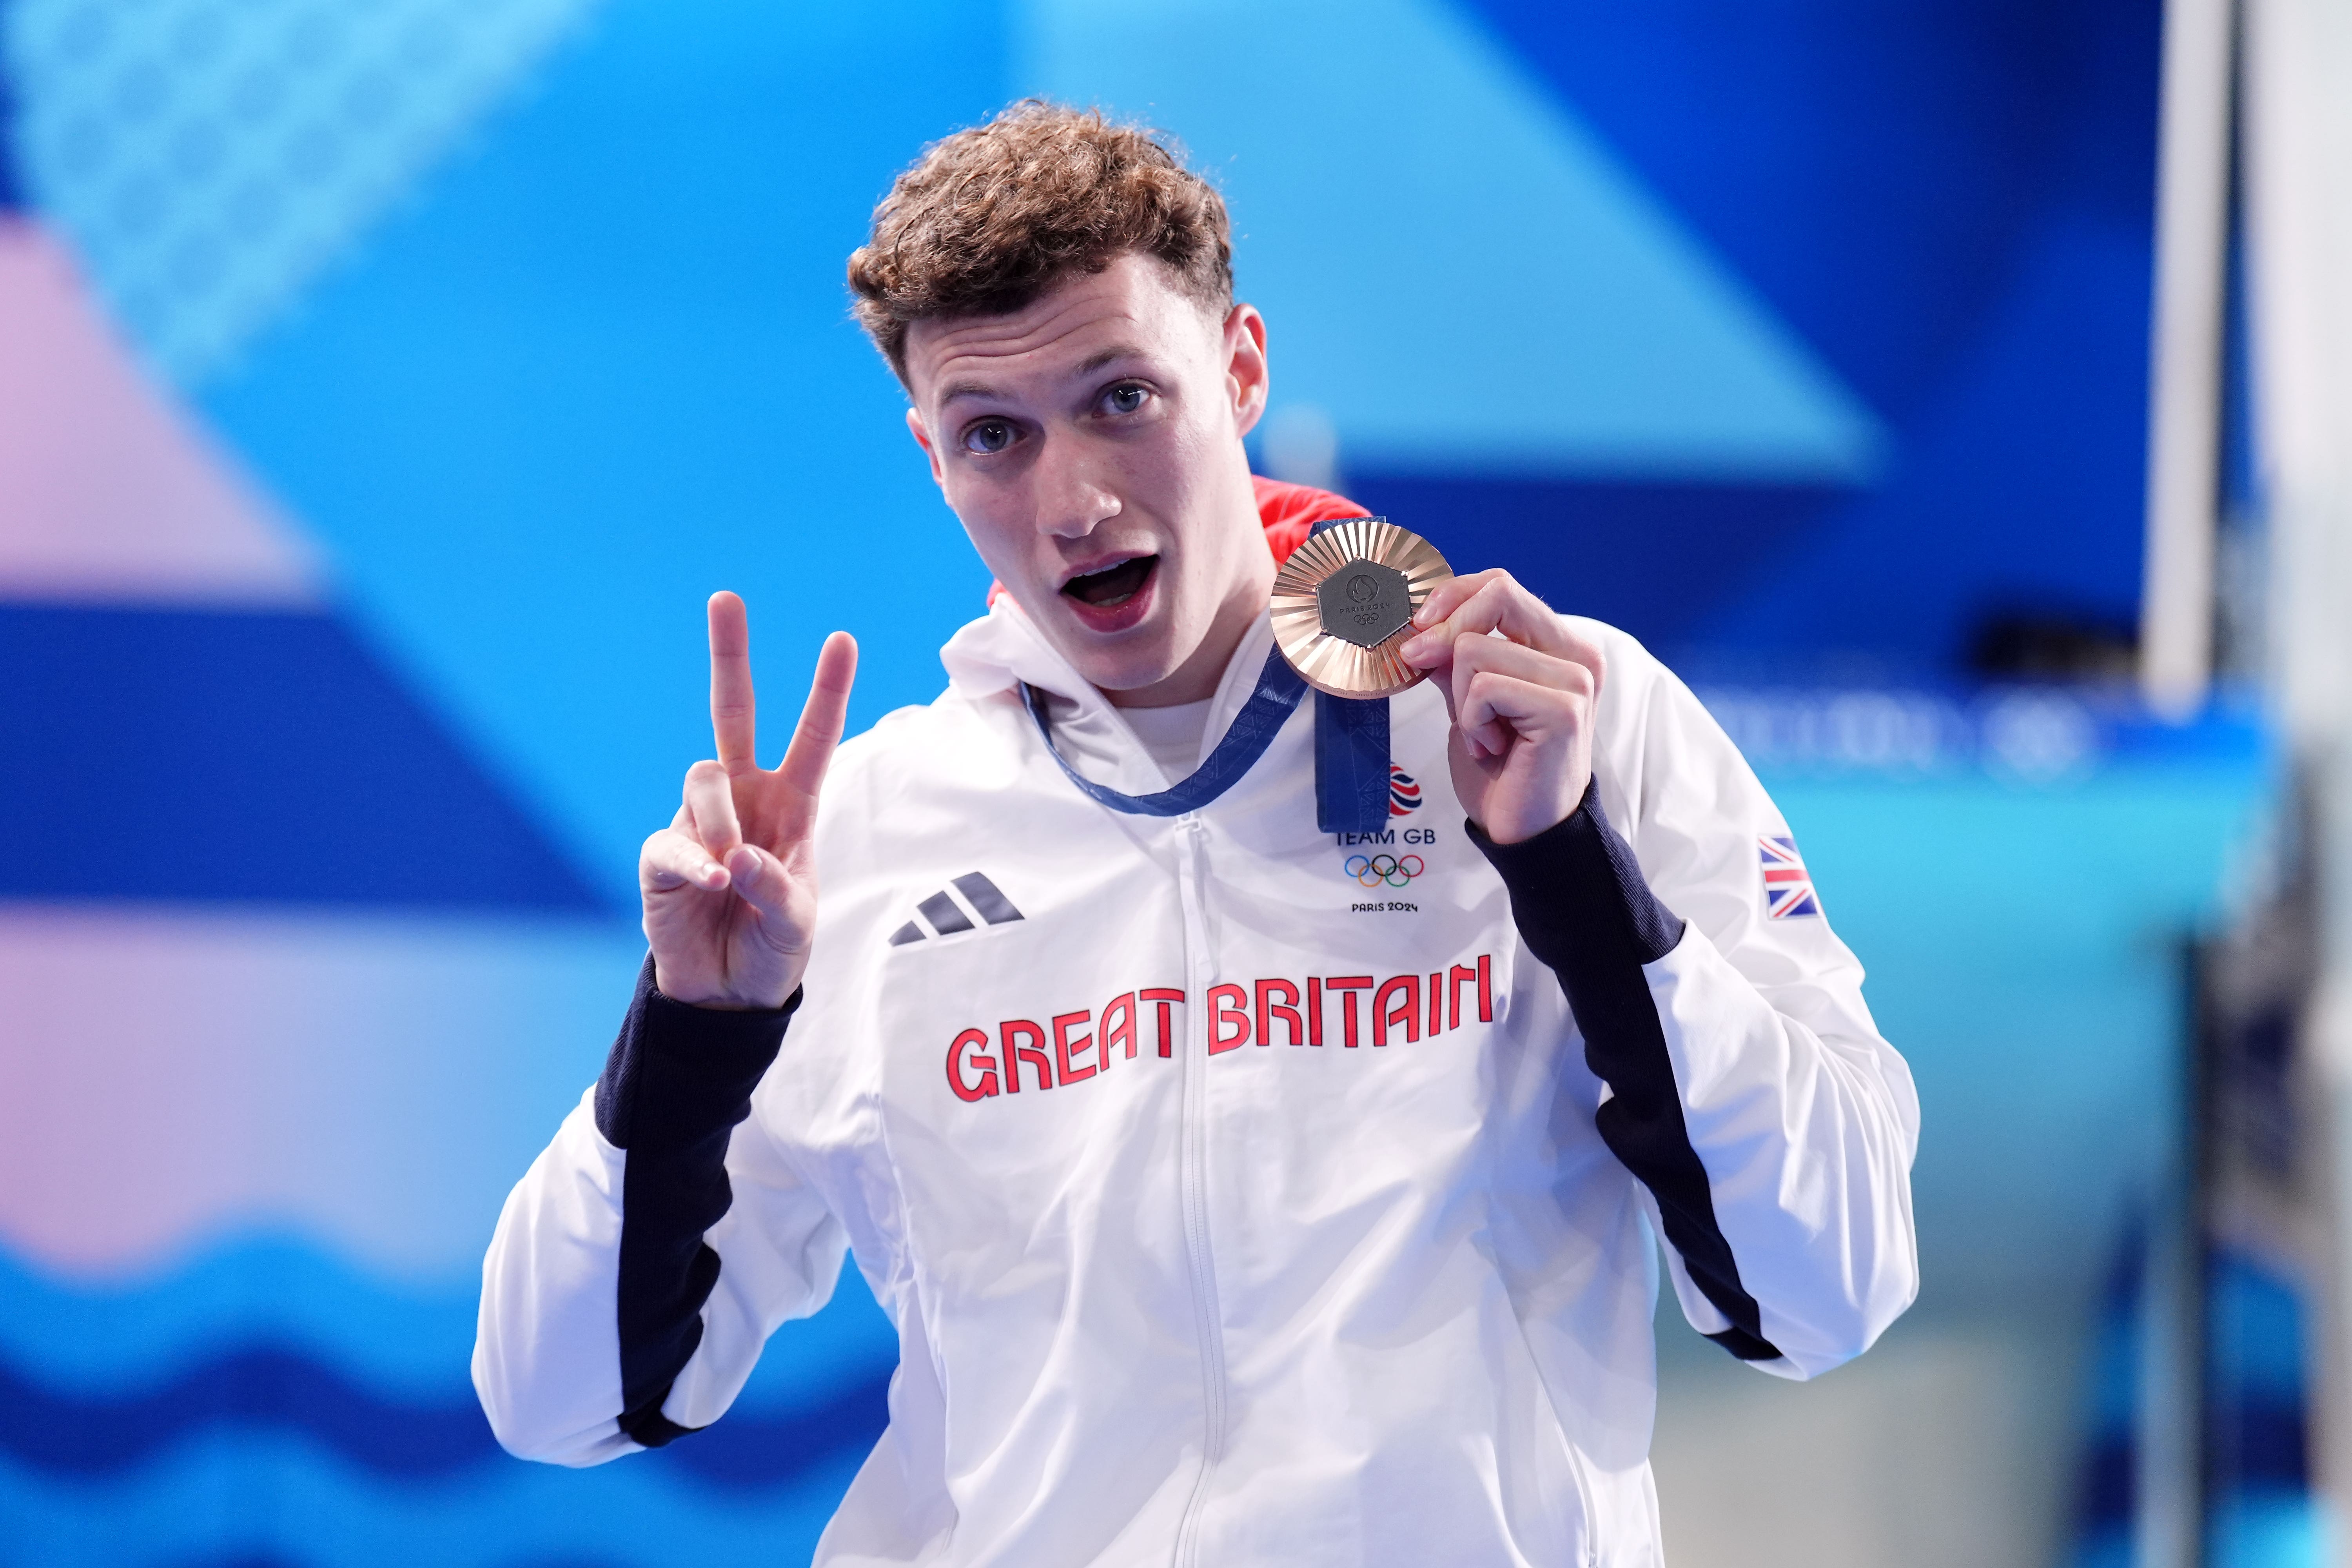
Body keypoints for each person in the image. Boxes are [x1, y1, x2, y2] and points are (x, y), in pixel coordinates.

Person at [474, 101, 1919, 1565]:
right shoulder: (862, 835)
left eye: (1122, 398)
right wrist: (698, 1032)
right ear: (930, 454)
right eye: (995, 437)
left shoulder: (1558, 717)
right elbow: (563, 1400)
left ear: (1238, 370)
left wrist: (1575, 881)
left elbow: (1830, 1285)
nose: (1077, 503)